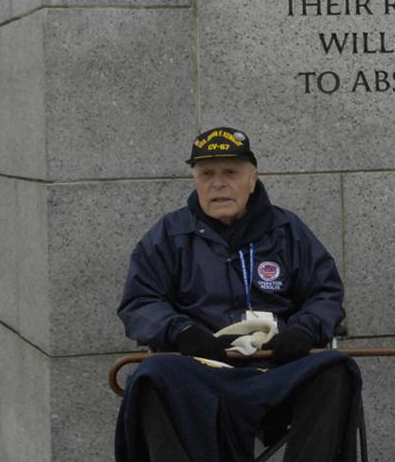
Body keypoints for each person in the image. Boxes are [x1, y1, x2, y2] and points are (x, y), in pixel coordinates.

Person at [115, 126, 360, 462]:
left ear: (252, 178)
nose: (218, 184)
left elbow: (325, 293)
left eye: (230, 172)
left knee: (336, 369)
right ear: (195, 181)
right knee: (150, 376)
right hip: (200, 371)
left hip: (276, 371)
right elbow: (140, 302)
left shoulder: (288, 231)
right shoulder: (169, 235)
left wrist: (304, 329)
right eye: (207, 174)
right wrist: (181, 330)